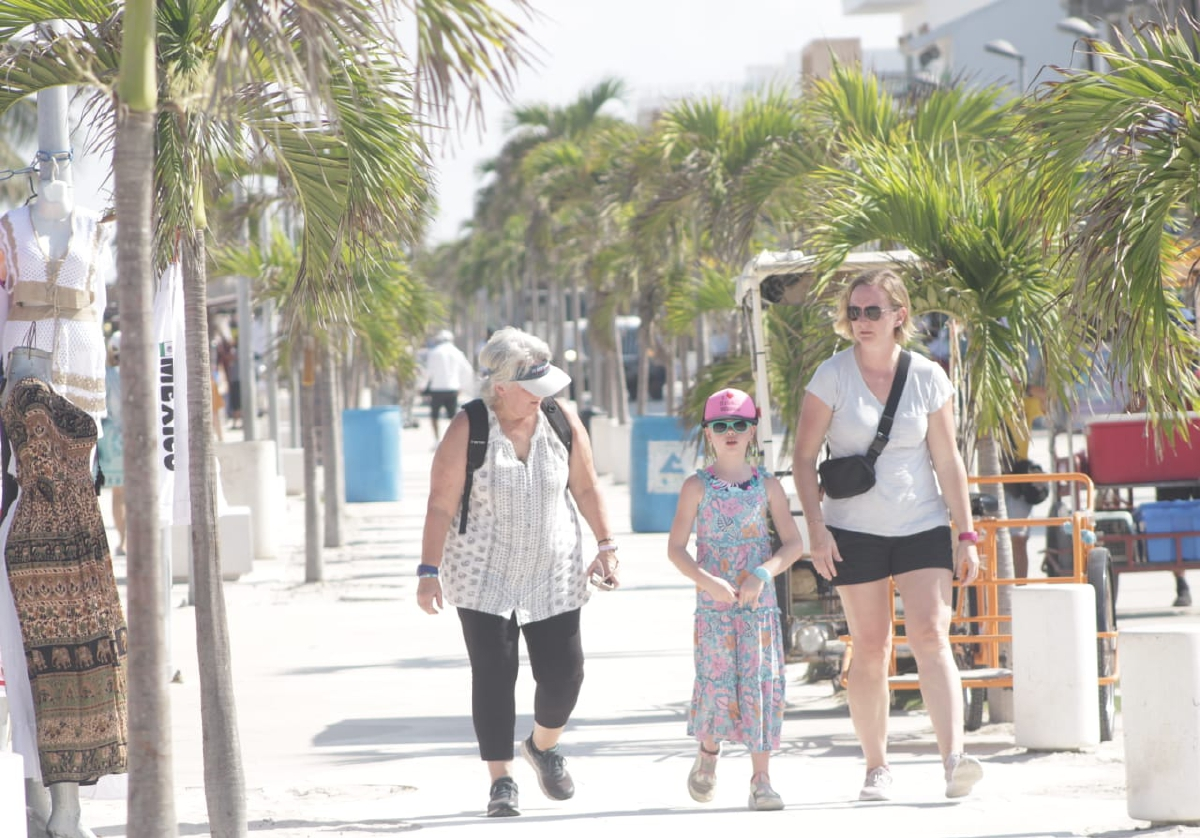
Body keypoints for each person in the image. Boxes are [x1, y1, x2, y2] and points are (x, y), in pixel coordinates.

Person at [791, 268, 984, 802]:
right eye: (854, 312)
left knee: (931, 635)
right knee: (872, 646)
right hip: (854, 530)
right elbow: (804, 459)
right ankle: (876, 767)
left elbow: (948, 460)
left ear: (900, 315)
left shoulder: (926, 376)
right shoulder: (831, 376)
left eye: (873, 311)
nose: (862, 321)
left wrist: (966, 534)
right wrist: (817, 531)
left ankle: (954, 758)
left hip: (922, 523)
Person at [416, 326, 618, 818]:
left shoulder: (561, 419)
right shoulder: (469, 427)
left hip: (554, 570)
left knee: (565, 675)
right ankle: (501, 781)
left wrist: (606, 545)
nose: (542, 397)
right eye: (532, 389)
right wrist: (428, 570)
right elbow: (441, 504)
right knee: (493, 675)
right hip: (483, 573)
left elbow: (586, 488)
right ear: (501, 386)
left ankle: (542, 746)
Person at [0, 158, 125, 838]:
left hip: (80, 384)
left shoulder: (94, 228)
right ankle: (45, 804)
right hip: (19, 374)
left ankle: (65, 804)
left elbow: (99, 305)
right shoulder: (8, 229)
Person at [666, 387, 804, 811]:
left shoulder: (768, 486)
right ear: (708, 432)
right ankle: (709, 751)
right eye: (721, 425)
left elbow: (793, 544)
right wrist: (707, 582)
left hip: (758, 608)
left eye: (739, 424)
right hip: (714, 609)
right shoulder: (696, 486)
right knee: (717, 681)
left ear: (752, 431)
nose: (731, 432)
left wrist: (763, 573)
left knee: (759, 684)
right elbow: (676, 549)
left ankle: (761, 779)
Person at [97, 332, 126, 555]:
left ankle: (123, 541)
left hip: (111, 440)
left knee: (118, 494)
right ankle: (133, 540)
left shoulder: (106, 375)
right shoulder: (139, 374)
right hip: (136, 438)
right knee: (137, 494)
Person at [418, 328, 475, 444]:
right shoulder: (457, 352)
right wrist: (462, 386)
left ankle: (436, 440)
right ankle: (452, 441)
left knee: (434, 416)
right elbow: (468, 370)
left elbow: (428, 373)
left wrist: (422, 386)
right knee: (453, 417)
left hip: (437, 389)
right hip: (452, 388)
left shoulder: (434, 352)